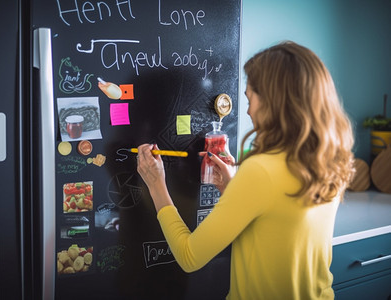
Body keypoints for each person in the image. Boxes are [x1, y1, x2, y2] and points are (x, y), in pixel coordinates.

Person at [136, 41, 355, 300]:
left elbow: (189, 257)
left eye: (251, 99)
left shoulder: (261, 170)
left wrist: (156, 185)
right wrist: (234, 189)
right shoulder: (328, 158)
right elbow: (279, 225)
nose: (249, 111)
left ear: (275, 102)